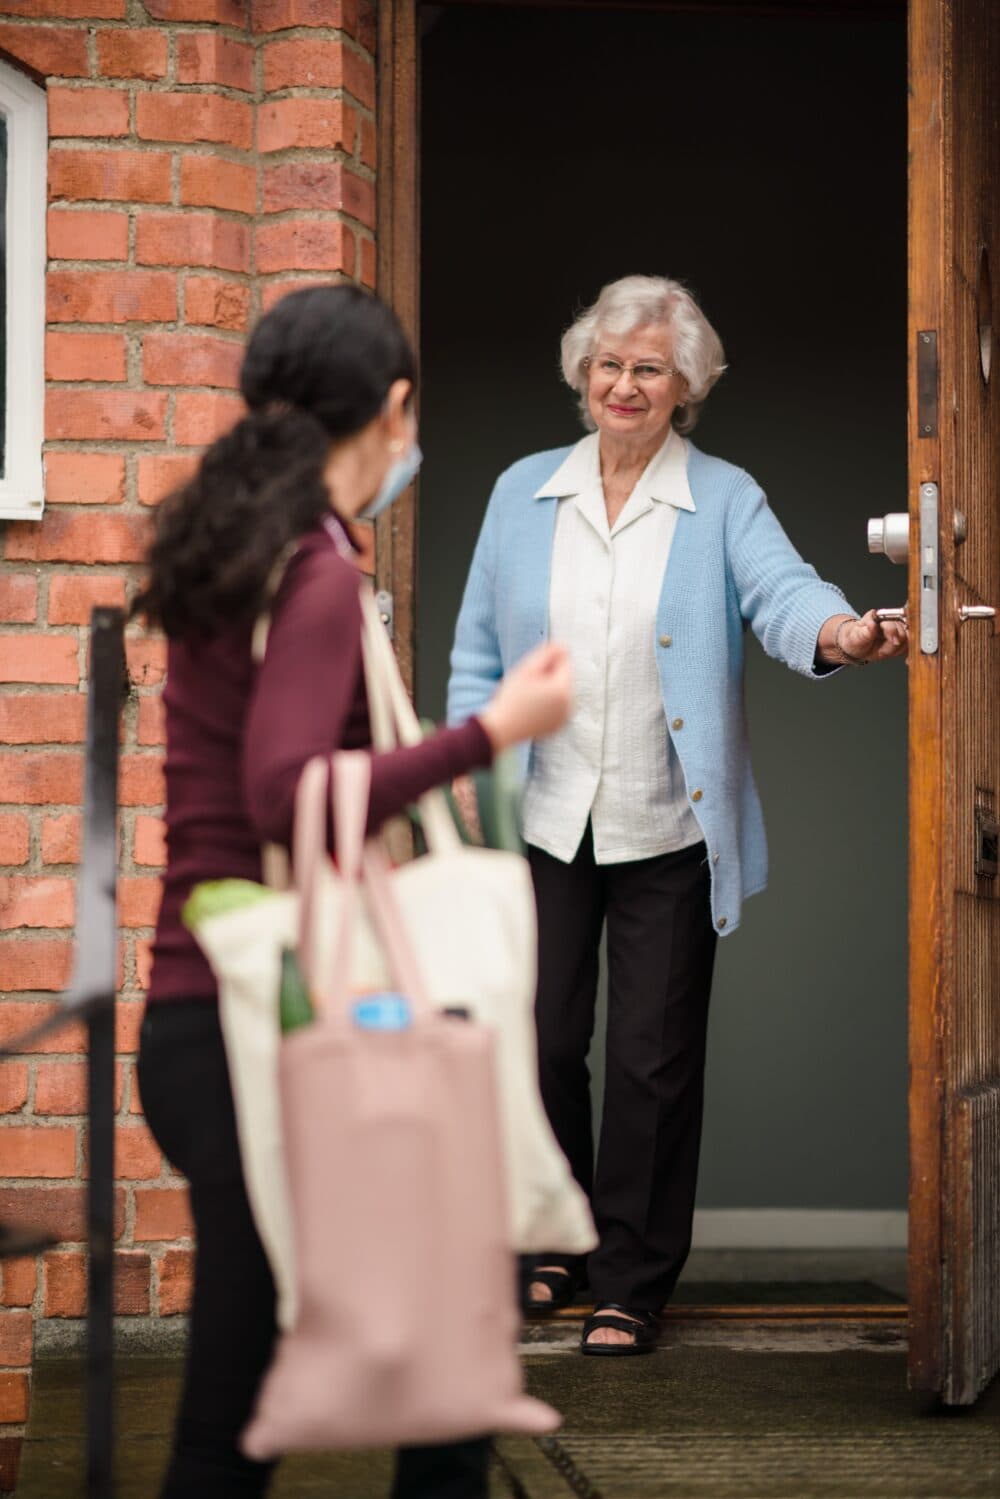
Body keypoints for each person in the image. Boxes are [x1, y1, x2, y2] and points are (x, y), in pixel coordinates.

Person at [133, 284, 572, 1497]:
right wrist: (494, 730)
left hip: (202, 1021)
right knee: (436, 1362)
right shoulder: (316, 572)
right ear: (390, 409)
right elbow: (286, 792)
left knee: (241, 1402)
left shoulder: (235, 542)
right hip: (268, 1027)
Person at [447, 274, 907, 1356]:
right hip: (543, 814)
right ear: (580, 372)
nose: (624, 383)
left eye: (648, 367)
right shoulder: (522, 494)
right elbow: (476, 649)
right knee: (544, 1038)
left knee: (655, 1060)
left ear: (685, 386)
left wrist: (841, 631)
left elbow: (783, 593)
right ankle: (551, 1242)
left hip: (668, 822)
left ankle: (631, 1278)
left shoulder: (722, 498)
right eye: (608, 364)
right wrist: (475, 766)